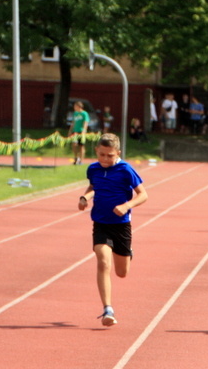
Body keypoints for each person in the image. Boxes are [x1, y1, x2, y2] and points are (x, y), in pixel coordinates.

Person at [77, 133, 148, 327]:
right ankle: (107, 309)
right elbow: (94, 186)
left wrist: (126, 206)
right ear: (96, 151)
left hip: (121, 225)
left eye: (110, 155)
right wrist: (85, 198)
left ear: (118, 153)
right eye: (102, 155)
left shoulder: (126, 169)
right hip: (101, 223)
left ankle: (128, 252)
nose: (105, 159)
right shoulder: (93, 169)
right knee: (103, 262)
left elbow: (143, 195)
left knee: (122, 272)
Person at [68, 100, 89, 165]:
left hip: (81, 131)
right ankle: (76, 158)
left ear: (79, 106)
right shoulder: (75, 113)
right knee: (74, 144)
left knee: (81, 146)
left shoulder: (84, 113)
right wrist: (70, 130)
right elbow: (73, 122)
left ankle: (81, 160)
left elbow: (86, 122)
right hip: (75, 131)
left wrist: (84, 130)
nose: (74, 107)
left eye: (75, 106)